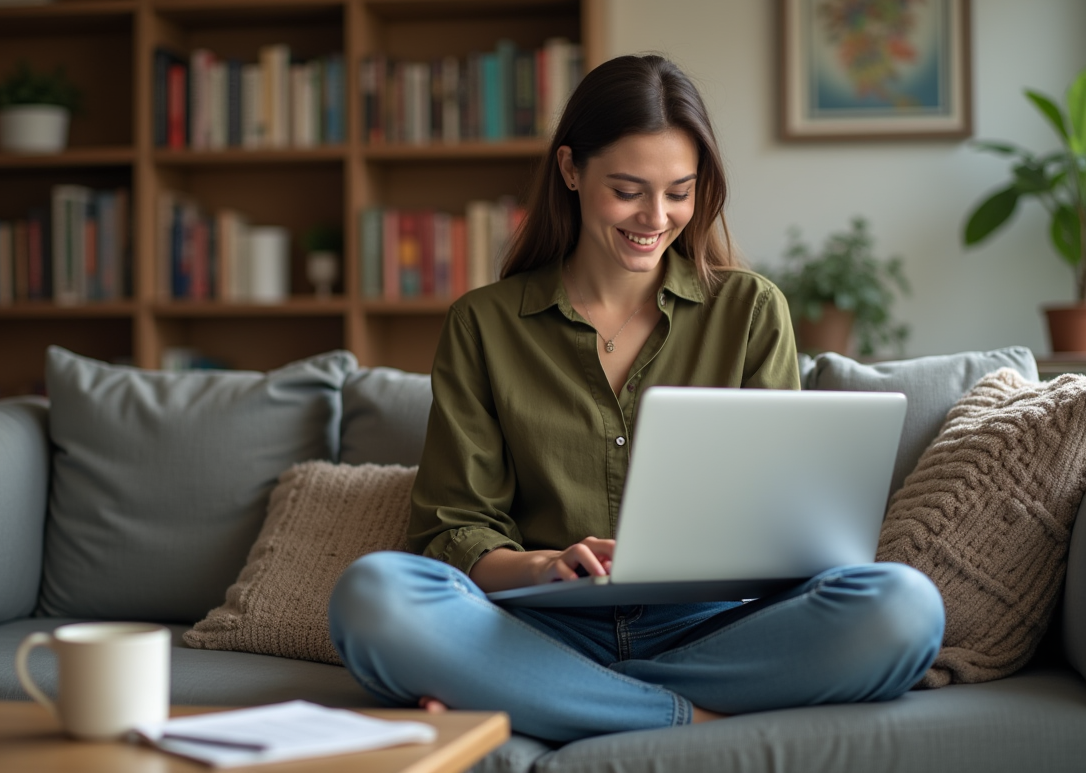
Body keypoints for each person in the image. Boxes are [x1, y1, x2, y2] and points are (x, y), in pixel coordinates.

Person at [328, 54, 944, 743]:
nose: (657, 217)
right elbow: (452, 530)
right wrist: (546, 564)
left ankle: (551, 703)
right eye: (628, 190)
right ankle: (686, 717)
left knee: (903, 607)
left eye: (679, 191)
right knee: (374, 597)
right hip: (542, 626)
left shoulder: (747, 308)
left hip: (715, 627)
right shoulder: (485, 322)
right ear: (570, 171)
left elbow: (782, 526)